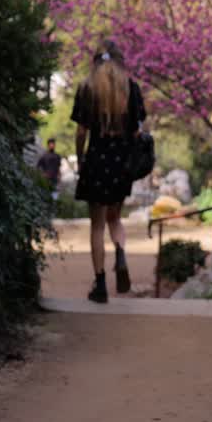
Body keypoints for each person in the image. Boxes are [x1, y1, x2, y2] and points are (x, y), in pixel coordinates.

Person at [72, 40, 146, 303]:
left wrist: (80, 159)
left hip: (96, 161)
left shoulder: (87, 89)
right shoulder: (131, 89)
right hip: (122, 163)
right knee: (115, 218)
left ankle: (100, 283)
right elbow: (138, 131)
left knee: (97, 225)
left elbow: (81, 131)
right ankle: (121, 252)